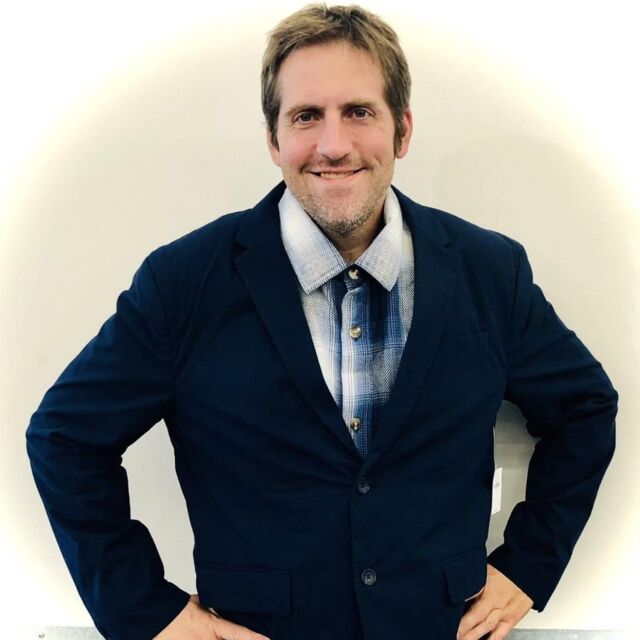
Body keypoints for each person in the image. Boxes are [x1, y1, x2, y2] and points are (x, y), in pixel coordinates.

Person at [26, 4, 618, 640]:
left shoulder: (489, 271)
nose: (334, 145)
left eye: (359, 112)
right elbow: (65, 439)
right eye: (306, 116)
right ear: (273, 138)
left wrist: (529, 565)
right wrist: (150, 615)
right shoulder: (184, 282)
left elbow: (584, 409)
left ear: (402, 130)